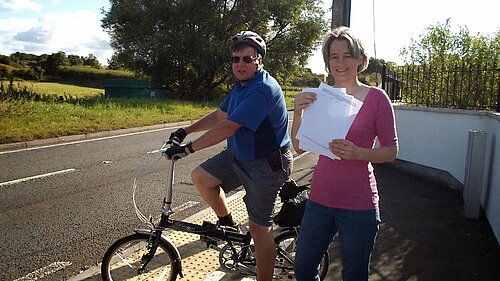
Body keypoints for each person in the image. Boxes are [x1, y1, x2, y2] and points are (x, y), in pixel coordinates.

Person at [165, 31, 293, 281]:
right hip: (239, 156)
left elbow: (228, 127)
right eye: (236, 59)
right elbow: (220, 116)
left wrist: (187, 148)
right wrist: (185, 130)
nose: (240, 64)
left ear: (260, 60)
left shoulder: (263, 89)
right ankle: (227, 223)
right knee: (201, 177)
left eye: (247, 58)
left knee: (259, 229)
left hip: (266, 164)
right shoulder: (240, 87)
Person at [291, 26, 399, 281]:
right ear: (328, 62)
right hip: (319, 200)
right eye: (334, 57)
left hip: (359, 205)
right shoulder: (320, 97)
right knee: (303, 270)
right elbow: (299, 146)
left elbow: (391, 151)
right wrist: (298, 112)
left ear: (360, 59)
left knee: (354, 275)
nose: (340, 63)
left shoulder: (376, 98)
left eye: (347, 56)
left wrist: (359, 153)